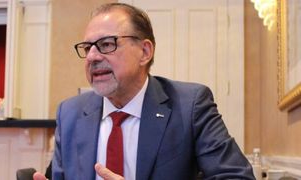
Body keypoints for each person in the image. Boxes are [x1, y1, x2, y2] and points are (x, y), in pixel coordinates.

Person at [34, 2, 255, 180]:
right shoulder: (70, 113)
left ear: (144, 51)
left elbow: (236, 177)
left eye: (107, 44)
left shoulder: (190, 106)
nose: (92, 56)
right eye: (87, 47)